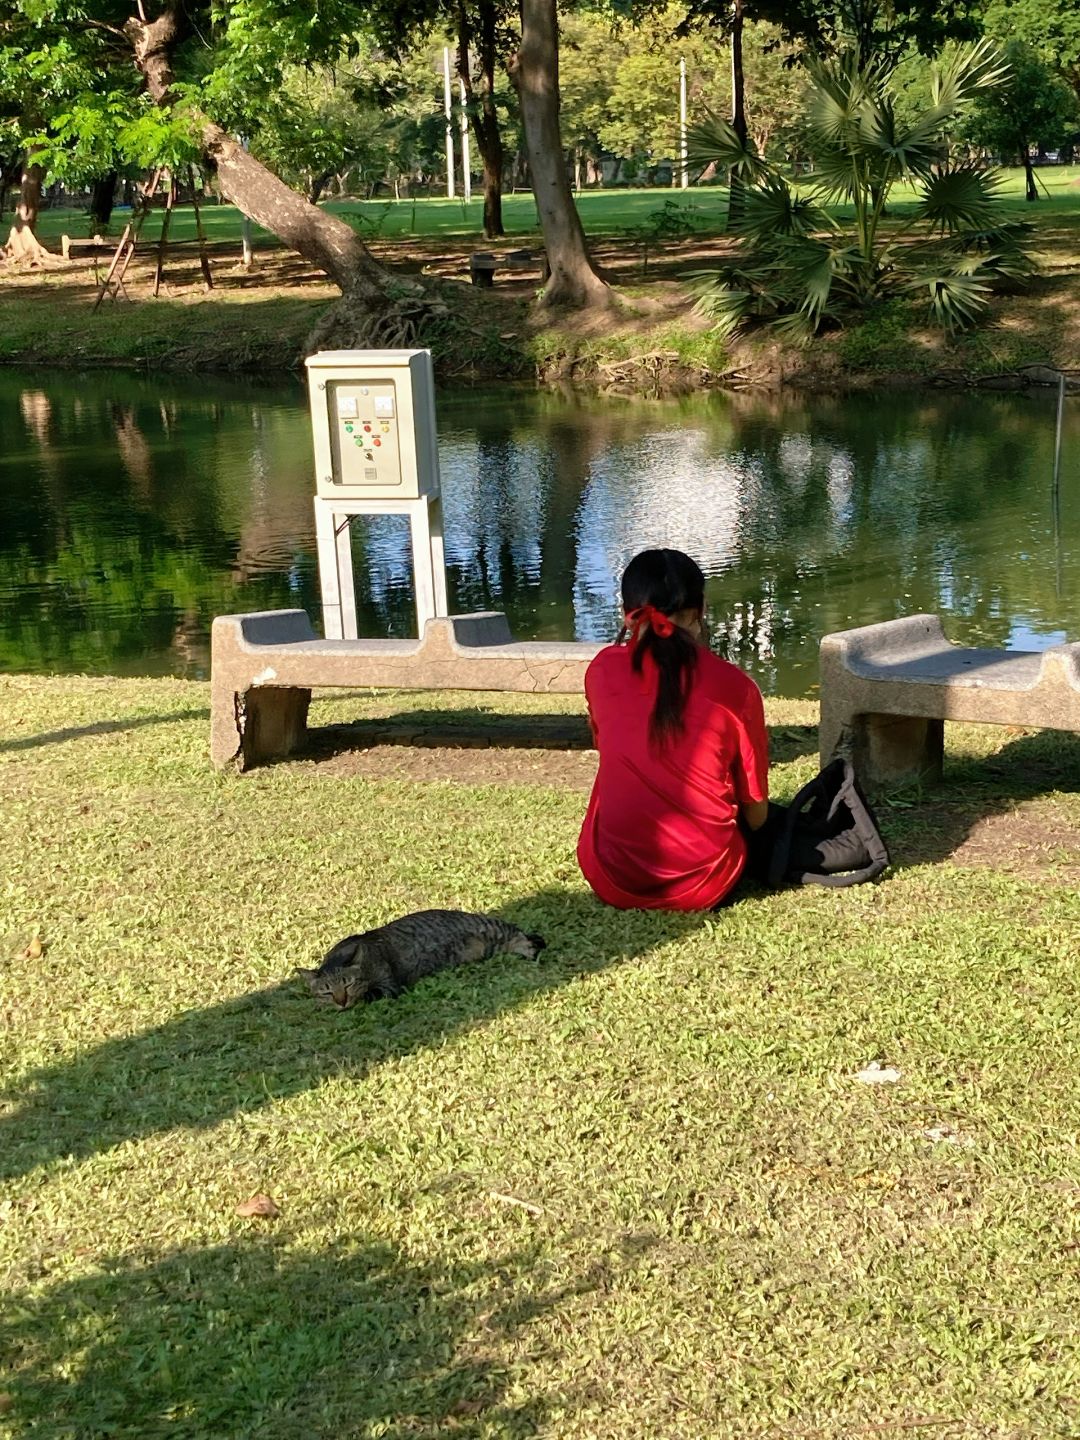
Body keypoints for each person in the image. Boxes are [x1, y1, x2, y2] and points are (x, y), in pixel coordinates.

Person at [577, 548, 770, 911]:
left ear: (626, 613)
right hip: (705, 882)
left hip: (612, 875)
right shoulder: (734, 686)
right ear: (700, 611)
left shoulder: (601, 671)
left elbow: (608, 748)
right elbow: (756, 815)